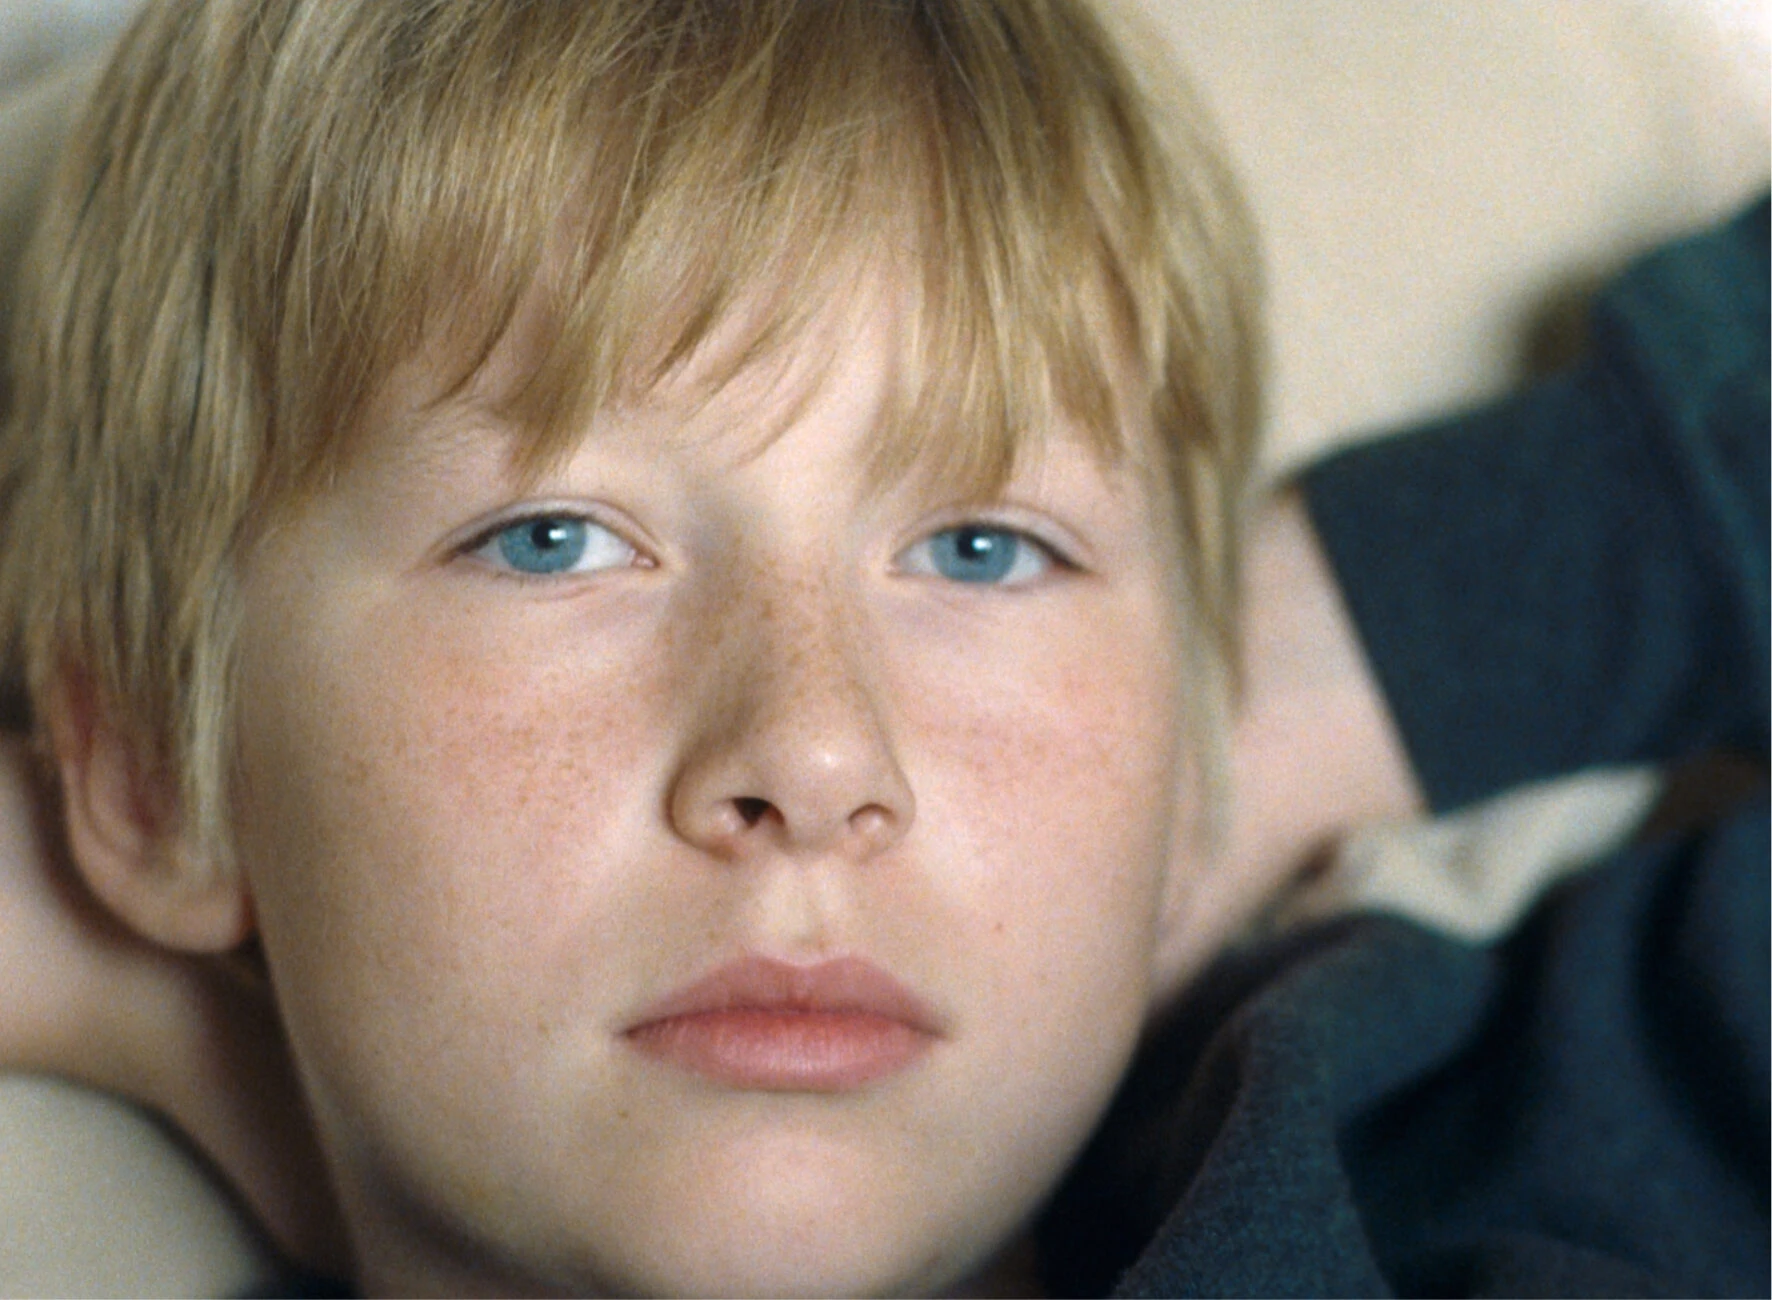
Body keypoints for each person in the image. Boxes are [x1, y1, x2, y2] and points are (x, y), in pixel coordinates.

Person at [0, 2, 1763, 1297]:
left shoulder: (1520, 1167)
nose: (817, 753)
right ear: (148, 773)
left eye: (986, 549)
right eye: (553, 541)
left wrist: (1333, 668)